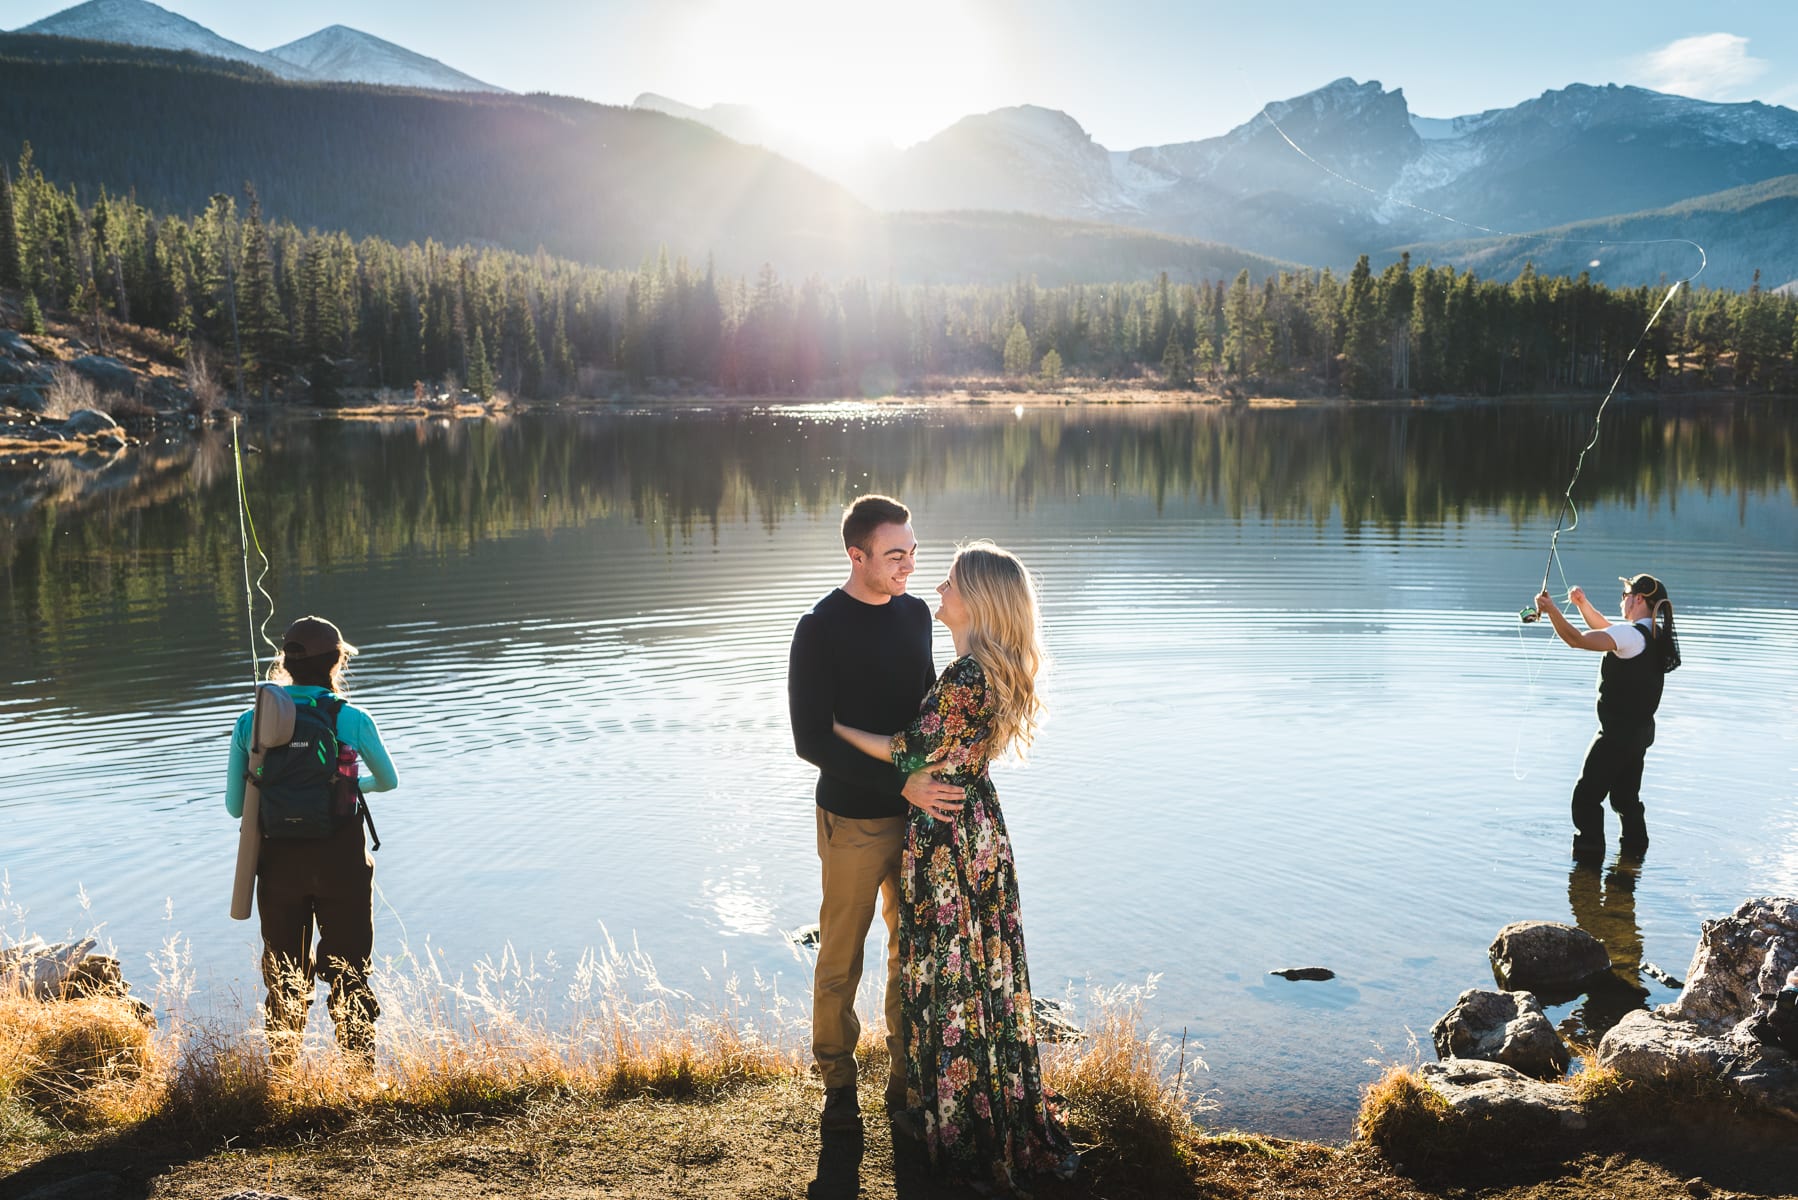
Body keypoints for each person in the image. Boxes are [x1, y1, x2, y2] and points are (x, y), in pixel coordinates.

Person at [834, 542, 1077, 1194]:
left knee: (953, 977)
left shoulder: (968, 676)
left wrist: (835, 728)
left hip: (949, 839)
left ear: (975, 599)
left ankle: (965, 1132)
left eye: (949, 580)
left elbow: (908, 749)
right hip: (978, 828)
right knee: (980, 971)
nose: (937, 588)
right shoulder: (988, 670)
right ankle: (976, 1114)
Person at [788, 496, 967, 1134]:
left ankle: (904, 1084)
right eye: (895, 555)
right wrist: (902, 784)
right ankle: (838, 1086)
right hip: (853, 821)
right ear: (856, 555)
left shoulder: (916, 615)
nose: (909, 566)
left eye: (913, 552)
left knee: (908, 955)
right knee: (840, 956)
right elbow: (811, 739)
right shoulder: (819, 628)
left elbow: (926, 713)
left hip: (920, 820)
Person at [224, 616, 398, 1070]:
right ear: (338, 661)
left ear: (284, 662)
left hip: (279, 867)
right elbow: (389, 781)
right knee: (349, 972)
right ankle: (359, 1077)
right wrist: (345, 785)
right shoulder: (352, 718)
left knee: (285, 975)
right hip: (342, 866)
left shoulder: (251, 722)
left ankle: (283, 1077)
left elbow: (236, 807)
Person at [1534, 574, 1680, 859]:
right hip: (1639, 736)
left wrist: (1551, 610)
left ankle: (1588, 862)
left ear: (1639, 599)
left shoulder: (1629, 635)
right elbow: (1605, 627)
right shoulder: (1652, 634)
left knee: (1585, 798)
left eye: (1625, 595)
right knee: (1625, 799)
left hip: (1615, 736)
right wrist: (1582, 604)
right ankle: (1634, 857)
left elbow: (1576, 640)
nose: (1622, 600)